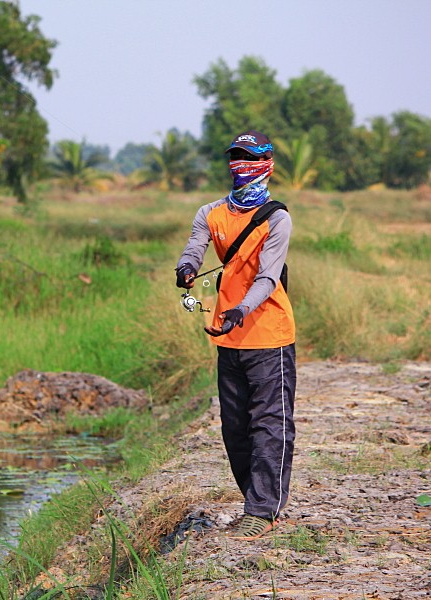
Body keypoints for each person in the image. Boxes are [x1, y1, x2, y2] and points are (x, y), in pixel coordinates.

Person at [175, 130, 296, 540]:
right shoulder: (210, 212)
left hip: (270, 335)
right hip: (227, 338)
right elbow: (196, 246)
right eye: (234, 156)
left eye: (248, 157)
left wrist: (241, 309)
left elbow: (268, 276)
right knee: (234, 428)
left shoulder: (278, 218)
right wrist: (187, 269)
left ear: (266, 163)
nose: (239, 164)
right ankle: (254, 500)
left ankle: (262, 511)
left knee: (270, 423)